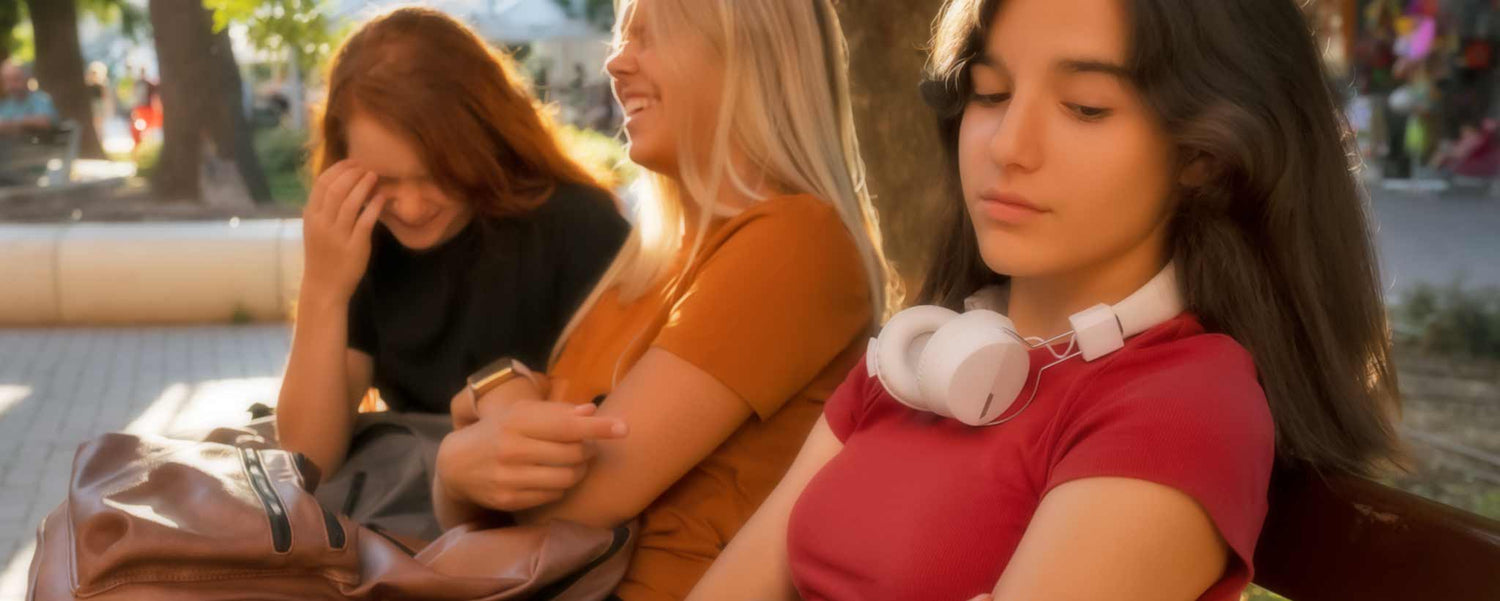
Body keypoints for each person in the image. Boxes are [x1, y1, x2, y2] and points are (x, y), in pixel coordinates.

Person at [688, 0, 1404, 600]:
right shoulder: (921, 353)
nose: (1008, 145)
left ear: (1202, 153)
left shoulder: (1184, 406)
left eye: (1085, 107)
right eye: (991, 94)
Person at [430, 1, 894, 599]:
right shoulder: (645, 267)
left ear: (746, 55)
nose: (617, 62)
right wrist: (460, 463)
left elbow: (572, 507)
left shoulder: (797, 240)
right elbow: (486, 524)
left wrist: (480, 416)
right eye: (622, 37)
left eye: (649, 37)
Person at [275, 7, 630, 484]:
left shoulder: (577, 225)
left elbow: (619, 423)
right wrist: (323, 287)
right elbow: (307, 462)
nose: (413, 206)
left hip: (542, 516)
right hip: (417, 518)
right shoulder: (365, 237)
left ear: (487, 140)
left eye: (439, 175)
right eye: (383, 180)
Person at [0, 60, 59, 136]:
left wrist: (11, 123)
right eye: (7, 80)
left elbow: (45, 122)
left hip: (41, 146)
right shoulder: (4, 105)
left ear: (26, 78)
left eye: (16, 79)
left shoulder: (42, 99)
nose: (11, 85)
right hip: (12, 146)